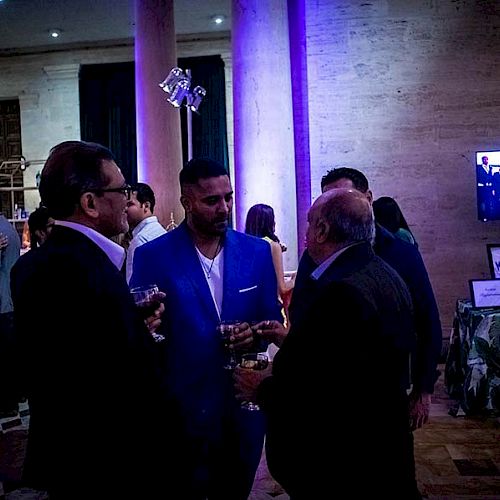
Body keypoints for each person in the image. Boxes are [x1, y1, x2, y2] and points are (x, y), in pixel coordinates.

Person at [234, 189, 419, 497]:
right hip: (382, 452)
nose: (305, 232)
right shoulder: (382, 272)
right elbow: (345, 358)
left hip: (343, 468)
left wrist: (261, 388)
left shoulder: (340, 292)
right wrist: (291, 340)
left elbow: (327, 395)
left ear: (321, 230)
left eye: (309, 223)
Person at [10, 141, 169, 498]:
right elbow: (115, 381)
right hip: (109, 465)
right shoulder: (90, 270)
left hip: (60, 457)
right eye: (122, 190)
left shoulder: (31, 267)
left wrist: (131, 320)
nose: (127, 199)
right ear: (90, 203)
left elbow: (63, 355)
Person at [131, 157, 283, 499]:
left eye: (228, 197)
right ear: (186, 202)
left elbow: (270, 314)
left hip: (242, 408)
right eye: (211, 200)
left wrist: (254, 332)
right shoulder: (153, 256)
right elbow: (143, 327)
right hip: (182, 411)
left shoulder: (256, 251)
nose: (224, 207)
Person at [290, 167, 442, 431]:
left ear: (367, 198)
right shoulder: (313, 255)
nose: (335, 209)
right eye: (330, 201)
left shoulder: (402, 253)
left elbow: (427, 321)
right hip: (325, 388)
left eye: (343, 198)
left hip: (382, 390)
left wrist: (423, 389)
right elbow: (301, 310)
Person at [245, 203, 295, 319]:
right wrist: (296, 278)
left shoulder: (243, 245)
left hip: (247, 311)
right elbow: (282, 288)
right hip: (268, 312)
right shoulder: (272, 246)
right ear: (269, 222)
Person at [0, 214, 21, 418]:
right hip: (8, 301)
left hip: (3, 303)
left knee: (4, 358)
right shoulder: (6, 225)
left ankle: (8, 403)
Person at [125, 182, 166, 283]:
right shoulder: (161, 232)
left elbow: (134, 289)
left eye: (129, 204)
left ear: (146, 206)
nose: (125, 209)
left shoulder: (140, 240)